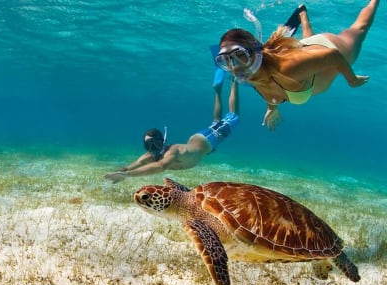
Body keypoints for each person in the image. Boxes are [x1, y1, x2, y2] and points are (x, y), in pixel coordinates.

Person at [215, 1, 379, 130]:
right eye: (226, 60)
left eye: (240, 55)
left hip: (329, 48)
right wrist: (272, 107)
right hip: (305, 51)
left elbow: (332, 56)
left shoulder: (290, 67)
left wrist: (352, 80)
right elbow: (266, 84)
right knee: (307, 48)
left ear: (255, 50)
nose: (236, 66)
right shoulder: (252, 74)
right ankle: (302, 14)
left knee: (360, 29)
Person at [104, 79, 239, 183]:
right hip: (200, 143)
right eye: (149, 146)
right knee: (216, 121)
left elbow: (161, 166)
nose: (153, 148)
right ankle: (218, 90)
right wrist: (117, 174)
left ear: (162, 141)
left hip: (209, 140)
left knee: (233, 116)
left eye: (155, 144)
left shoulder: (172, 152)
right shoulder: (148, 157)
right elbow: (128, 167)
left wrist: (128, 175)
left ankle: (234, 81)